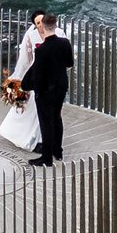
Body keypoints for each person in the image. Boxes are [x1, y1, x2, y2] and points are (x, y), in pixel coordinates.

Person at [26, 11, 73, 166]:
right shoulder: (65, 43)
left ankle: (46, 158)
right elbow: (69, 64)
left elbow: (37, 74)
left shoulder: (41, 50)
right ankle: (57, 151)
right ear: (55, 26)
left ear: (44, 28)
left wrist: (37, 91)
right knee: (57, 118)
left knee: (46, 123)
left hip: (46, 91)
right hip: (61, 87)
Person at [0, 15, 44, 152]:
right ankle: (33, 139)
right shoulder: (31, 36)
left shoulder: (57, 33)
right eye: (38, 22)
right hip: (35, 77)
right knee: (34, 109)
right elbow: (25, 62)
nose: (41, 25)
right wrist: (20, 79)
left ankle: (41, 139)